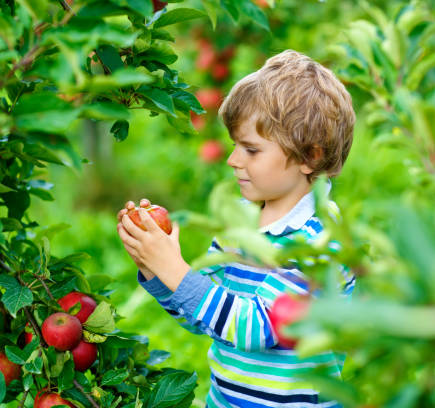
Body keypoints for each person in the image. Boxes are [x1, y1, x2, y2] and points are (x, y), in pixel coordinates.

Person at [117, 49, 356, 407]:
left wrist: (176, 271)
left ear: (311, 157)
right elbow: (207, 319)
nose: (233, 160)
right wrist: (157, 271)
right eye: (233, 146)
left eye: (251, 149)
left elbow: (256, 327)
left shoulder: (319, 241)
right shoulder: (239, 227)